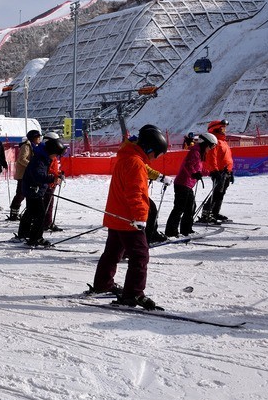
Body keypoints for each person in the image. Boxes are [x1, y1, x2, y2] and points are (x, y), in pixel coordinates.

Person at [91, 126, 169, 309]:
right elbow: (136, 193)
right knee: (140, 255)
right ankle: (133, 293)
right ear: (149, 149)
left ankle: (103, 283)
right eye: (156, 154)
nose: (155, 158)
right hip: (128, 219)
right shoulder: (135, 163)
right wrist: (140, 217)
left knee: (112, 253)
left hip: (117, 216)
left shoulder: (127, 157)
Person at [165, 132, 215, 237]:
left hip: (187, 184)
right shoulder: (195, 152)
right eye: (211, 146)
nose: (210, 149)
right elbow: (188, 166)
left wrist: (211, 173)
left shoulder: (199, 153)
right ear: (205, 144)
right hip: (183, 183)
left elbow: (198, 169)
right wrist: (193, 174)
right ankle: (171, 232)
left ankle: (186, 230)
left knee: (190, 207)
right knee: (180, 208)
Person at [18, 132, 64, 246]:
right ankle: (36, 238)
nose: (55, 157)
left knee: (31, 212)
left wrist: (55, 176)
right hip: (33, 189)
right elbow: (38, 176)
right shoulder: (41, 160)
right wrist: (53, 178)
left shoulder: (43, 157)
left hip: (33, 188)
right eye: (55, 155)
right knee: (40, 214)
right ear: (51, 151)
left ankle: (24, 233)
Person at [199, 119, 234, 223]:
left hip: (226, 172)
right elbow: (211, 157)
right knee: (217, 192)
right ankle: (206, 213)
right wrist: (214, 171)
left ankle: (214, 212)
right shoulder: (214, 142)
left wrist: (230, 171)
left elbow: (227, 158)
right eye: (222, 128)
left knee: (221, 193)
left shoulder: (223, 142)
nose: (224, 130)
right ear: (215, 129)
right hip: (219, 172)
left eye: (224, 128)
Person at [7, 129, 42, 221]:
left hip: (29, 175)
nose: (39, 138)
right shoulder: (26, 146)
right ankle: (14, 213)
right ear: (33, 138)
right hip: (23, 175)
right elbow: (21, 159)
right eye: (38, 137)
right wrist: (32, 165)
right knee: (20, 194)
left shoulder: (34, 146)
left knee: (28, 194)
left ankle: (25, 213)